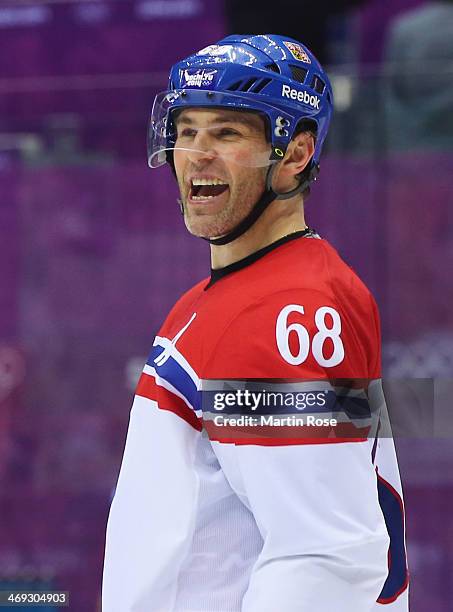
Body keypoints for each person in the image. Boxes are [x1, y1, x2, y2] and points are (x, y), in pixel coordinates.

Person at [102, 34, 409, 611]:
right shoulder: (222, 296)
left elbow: (322, 556)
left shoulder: (290, 308)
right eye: (186, 130)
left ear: (293, 155)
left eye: (227, 132)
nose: (196, 153)